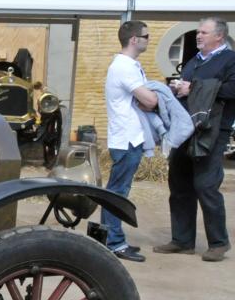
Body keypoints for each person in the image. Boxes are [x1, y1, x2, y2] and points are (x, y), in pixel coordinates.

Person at [155, 17, 235, 262]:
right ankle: (182, 240)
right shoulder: (194, 59)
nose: (198, 35)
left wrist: (194, 88)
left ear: (219, 36)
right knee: (179, 185)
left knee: (205, 186)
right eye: (198, 31)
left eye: (203, 32)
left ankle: (218, 243)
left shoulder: (230, 60)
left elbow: (232, 90)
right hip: (185, 129)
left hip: (212, 131)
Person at [101, 20, 158, 262]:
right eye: (146, 36)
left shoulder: (128, 65)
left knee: (117, 192)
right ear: (134, 40)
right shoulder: (124, 67)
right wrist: (154, 95)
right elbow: (151, 101)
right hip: (126, 138)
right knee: (117, 193)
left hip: (128, 137)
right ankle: (113, 242)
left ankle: (111, 239)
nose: (149, 39)